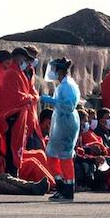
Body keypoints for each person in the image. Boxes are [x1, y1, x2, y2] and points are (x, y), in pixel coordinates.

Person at [40, 57, 81, 201]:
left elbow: (69, 106)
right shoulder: (64, 84)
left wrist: (51, 101)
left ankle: (67, 189)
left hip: (66, 123)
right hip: (62, 122)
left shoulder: (67, 86)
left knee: (63, 155)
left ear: (59, 70)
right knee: (54, 154)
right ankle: (63, 186)